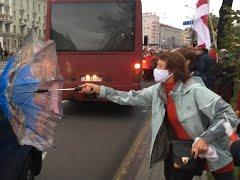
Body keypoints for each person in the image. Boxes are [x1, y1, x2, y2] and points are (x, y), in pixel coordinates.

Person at [80, 52, 238, 180]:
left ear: (173, 71)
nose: (156, 70)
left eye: (160, 67)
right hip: (182, 153)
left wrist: (205, 138)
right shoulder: (158, 91)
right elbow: (130, 97)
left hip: (214, 153)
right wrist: (100, 90)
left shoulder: (195, 90)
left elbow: (228, 116)